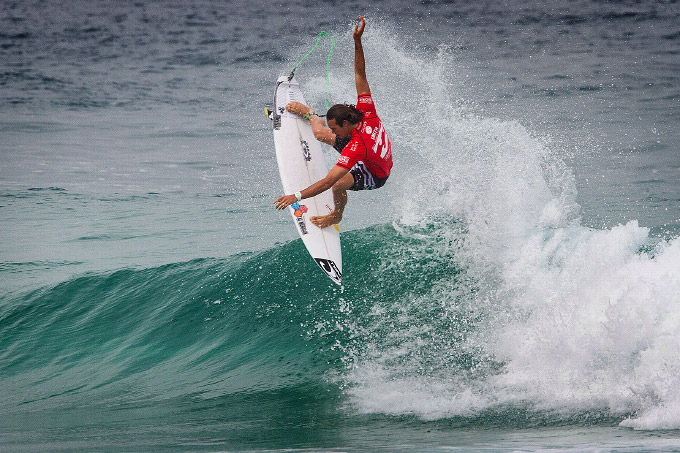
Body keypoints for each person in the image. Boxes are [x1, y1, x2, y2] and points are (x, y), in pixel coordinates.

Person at [274, 16, 392, 228]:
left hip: (376, 173)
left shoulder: (356, 146)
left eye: (336, 129)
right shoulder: (366, 110)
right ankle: (311, 114)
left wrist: (296, 196)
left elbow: (328, 181)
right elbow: (360, 73)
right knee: (319, 135)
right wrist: (357, 40)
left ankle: (337, 215)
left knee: (338, 184)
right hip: (369, 150)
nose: (335, 134)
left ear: (346, 123)